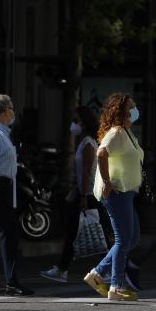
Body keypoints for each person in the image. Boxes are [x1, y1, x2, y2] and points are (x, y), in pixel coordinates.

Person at [84, 93, 144, 301]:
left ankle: (98, 273)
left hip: (127, 192)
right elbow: (101, 153)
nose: (135, 109)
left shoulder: (127, 132)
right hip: (117, 191)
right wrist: (108, 182)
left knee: (132, 237)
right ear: (121, 110)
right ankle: (115, 286)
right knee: (123, 239)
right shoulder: (117, 131)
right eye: (131, 106)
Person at [40, 106, 110, 283]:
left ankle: (108, 269)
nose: (73, 125)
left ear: (83, 123)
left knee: (94, 231)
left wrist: (83, 196)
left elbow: (86, 171)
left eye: (76, 121)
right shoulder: (88, 141)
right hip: (85, 191)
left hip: (88, 193)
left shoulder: (87, 142)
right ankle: (64, 269)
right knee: (80, 231)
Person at [0, 95, 33, 296]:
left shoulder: (2, 133)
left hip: (2, 187)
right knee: (8, 234)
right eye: (11, 108)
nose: (14, 112)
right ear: (3, 111)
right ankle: (10, 281)